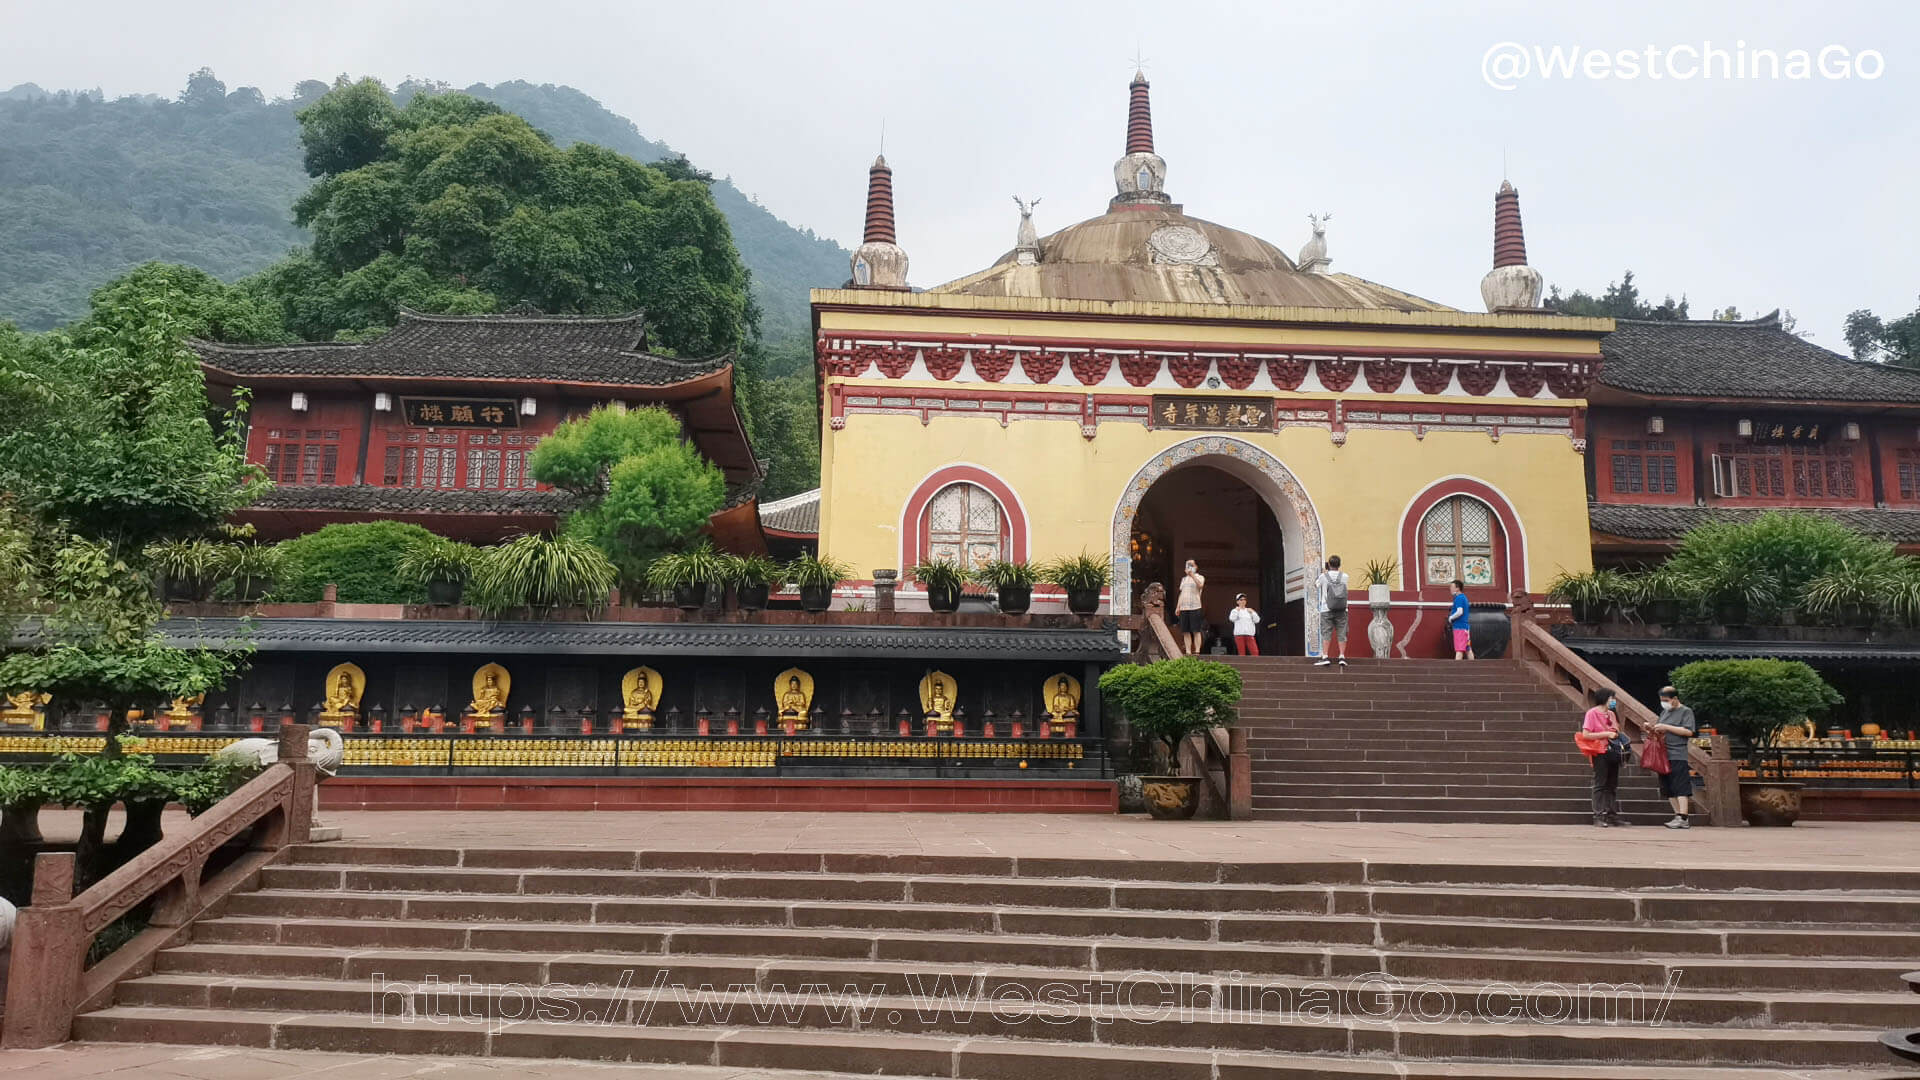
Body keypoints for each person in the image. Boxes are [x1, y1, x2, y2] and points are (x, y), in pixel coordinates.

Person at [1582, 687, 1630, 827]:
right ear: (1604, 698)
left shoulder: (1611, 714)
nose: (1613, 701)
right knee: (1600, 784)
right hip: (1600, 751)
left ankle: (1611, 814)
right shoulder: (1592, 713)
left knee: (1612, 784)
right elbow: (1586, 734)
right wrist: (1606, 734)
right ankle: (1598, 815)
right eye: (1611, 698)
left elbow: (1616, 730)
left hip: (1613, 751)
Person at [1654, 686, 1699, 829]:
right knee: (1668, 787)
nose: (1664, 703)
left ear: (1675, 699)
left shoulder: (1685, 711)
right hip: (1663, 754)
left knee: (1680, 786)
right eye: (1662, 700)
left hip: (1678, 754)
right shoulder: (1664, 712)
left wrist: (1667, 727)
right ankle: (1677, 815)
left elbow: (1688, 731)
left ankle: (1683, 817)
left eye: (1666, 700)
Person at [1315, 556, 1350, 668]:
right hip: (1342, 609)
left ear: (1329, 564)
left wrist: (1324, 573)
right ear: (1339, 565)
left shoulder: (1323, 577)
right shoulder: (1345, 576)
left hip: (1326, 609)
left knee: (1326, 632)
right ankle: (1342, 656)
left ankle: (1325, 656)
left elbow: (1316, 585)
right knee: (1342, 633)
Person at [1175, 559, 1206, 656]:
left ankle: (1197, 650)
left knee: (1196, 630)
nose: (1189, 567)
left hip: (1195, 607)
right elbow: (1181, 593)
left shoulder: (1200, 577)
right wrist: (1178, 607)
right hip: (1184, 607)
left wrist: (1192, 575)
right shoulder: (1183, 579)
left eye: (1192, 565)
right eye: (1188, 565)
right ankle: (1188, 651)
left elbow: (1200, 586)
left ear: (1196, 567)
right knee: (1185, 631)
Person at [1448, 579, 1474, 660]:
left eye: (1452, 587)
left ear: (1457, 588)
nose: (1450, 589)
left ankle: (1456, 670)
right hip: (1465, 627)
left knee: (1459, 650)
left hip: (1459, 627)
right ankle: (1474, 668)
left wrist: (1451, 618)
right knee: (1468, 649)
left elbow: (1460, 612)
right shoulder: (1464, 597)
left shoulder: (1459, 598)